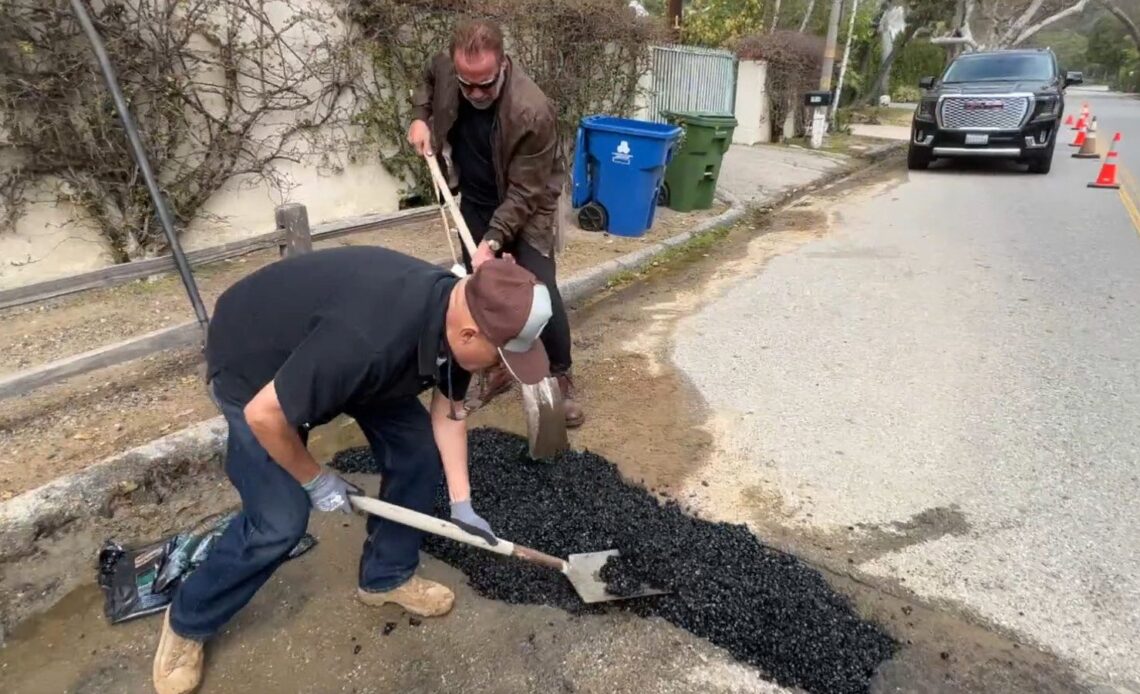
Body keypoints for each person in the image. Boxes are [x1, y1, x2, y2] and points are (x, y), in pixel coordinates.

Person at [152, 246, 553, 694]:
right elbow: (265, 415)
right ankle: (188, 620)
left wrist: (463, 504)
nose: (500, 368)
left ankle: (385, 577)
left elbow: (448, 414)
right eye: (499, 357)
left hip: (340, 356)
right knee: (279, 520)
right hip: (255, 364)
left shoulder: (456, 314)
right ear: (467, 335)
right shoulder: (368, 340)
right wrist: (313, 478)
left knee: (417, 451)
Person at [406, 18, 584, 428]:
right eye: (467, 85)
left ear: (503, 64)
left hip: (530, 199)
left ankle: (559, 374)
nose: (476, 93)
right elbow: (429, 81)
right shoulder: (449, 67)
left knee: (537, 284)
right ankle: (498, 362)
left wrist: (491, 242)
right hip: (478, 194)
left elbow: (526, 193)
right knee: (479, 285)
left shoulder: (533, 110)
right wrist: (420, 116)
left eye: (486, 84)